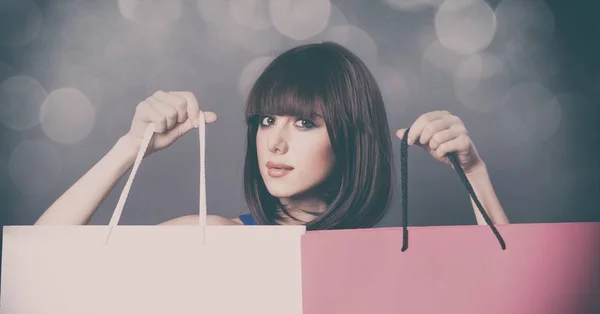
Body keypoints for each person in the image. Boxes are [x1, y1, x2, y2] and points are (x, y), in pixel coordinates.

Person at [34, 42, 509, 229]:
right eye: (267, 120)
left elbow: (517, 305)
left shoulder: (388, 263)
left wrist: (474, 172)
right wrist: (125, 151)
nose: (275, 143)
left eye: (305, 122)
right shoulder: (218, 238)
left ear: (351, 139)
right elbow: (42, 269)